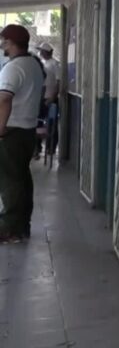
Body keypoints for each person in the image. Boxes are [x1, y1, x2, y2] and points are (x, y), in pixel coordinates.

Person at [0, 25, 45, 243]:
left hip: (12, 131)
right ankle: (21, 225)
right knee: (22, 179)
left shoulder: (13, 68)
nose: (1, 45)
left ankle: (10, 229)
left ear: (10, 42)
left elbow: (4, 100)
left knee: (10, 181)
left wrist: (0, 130)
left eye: (3, 41)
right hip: (27, 130)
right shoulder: (33, 64)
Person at [37, 42, 60, 159]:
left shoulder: (55, 64)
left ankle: (51, 148)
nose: (40, 53)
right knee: (38, 122)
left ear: (47, 52)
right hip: (42, 97)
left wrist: (52, 97)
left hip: (51, 98)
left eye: (42, 51)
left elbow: (58, 82)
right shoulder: (44, 64)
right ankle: (38, 148)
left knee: (52, 124)